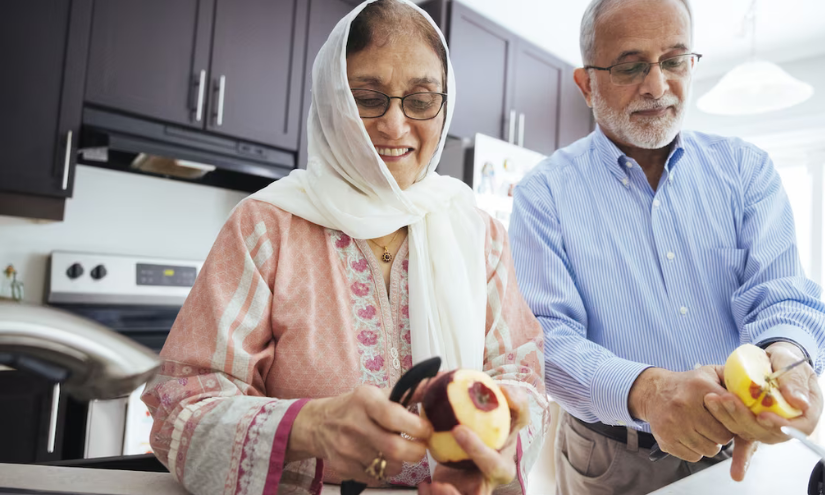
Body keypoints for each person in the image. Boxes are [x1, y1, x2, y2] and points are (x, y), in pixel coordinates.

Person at [141, 1, 549, 494]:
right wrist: (309, 427)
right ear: (333, 99)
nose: (395, 126)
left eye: (420, 100)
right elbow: (180, 410)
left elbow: (521, 377)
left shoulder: (480, 235)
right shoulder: (267, 226)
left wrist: (498, 442)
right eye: (368, 97)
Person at [508, 0, 825, 493]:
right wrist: (649, 391)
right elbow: (544, 341)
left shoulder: (746, 170)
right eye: (631, 66)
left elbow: (783, 295)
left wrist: (789, 358)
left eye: (674, 61)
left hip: (737, 445)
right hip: (610, 458)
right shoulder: (544, 194)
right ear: (586, 85)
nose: (658, 86)